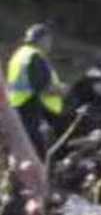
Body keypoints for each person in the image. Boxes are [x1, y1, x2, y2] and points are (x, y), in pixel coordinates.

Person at [6, 24, 67, 159]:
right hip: (30, 108)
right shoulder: (34, 56)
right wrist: (61, 90)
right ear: (43, 40)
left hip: (17, 106)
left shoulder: (19, 55)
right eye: (49, 40)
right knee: (38, 152)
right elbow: (42, 87)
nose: (50, 44)